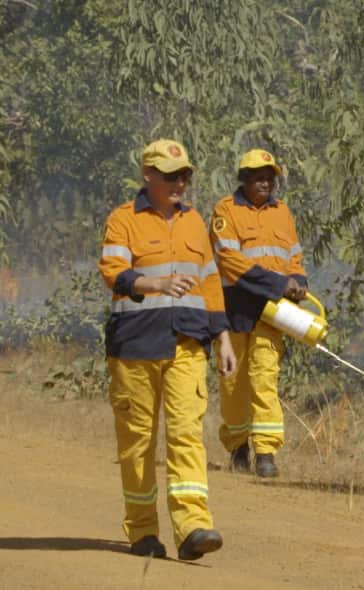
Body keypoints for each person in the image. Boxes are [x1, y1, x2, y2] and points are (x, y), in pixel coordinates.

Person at [98, 139, 236, 561]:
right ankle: (142, 531)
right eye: (172, 175)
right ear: (148, 175)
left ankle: (193, 526)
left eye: (185, 176)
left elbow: (210, 284)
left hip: (188, 342)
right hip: (136, 343)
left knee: (186, 434)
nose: (180, 183)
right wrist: (153, 284)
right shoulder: (123, 220)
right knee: (138, 441)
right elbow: (112, 272)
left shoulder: (195, 222)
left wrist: (223, 336)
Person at [209, 149, 307, 478]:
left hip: (273, 311)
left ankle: (266, 452)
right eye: (257, 176)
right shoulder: (225, 210)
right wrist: (278, 282)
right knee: (234, 381)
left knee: (265, 375)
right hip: (236, 305)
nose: (265, 181)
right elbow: (229, 260)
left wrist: (299, 282)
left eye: (269, 176)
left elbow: (294, 257)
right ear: (244, 179)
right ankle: (238, 447)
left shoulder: (283, 212)